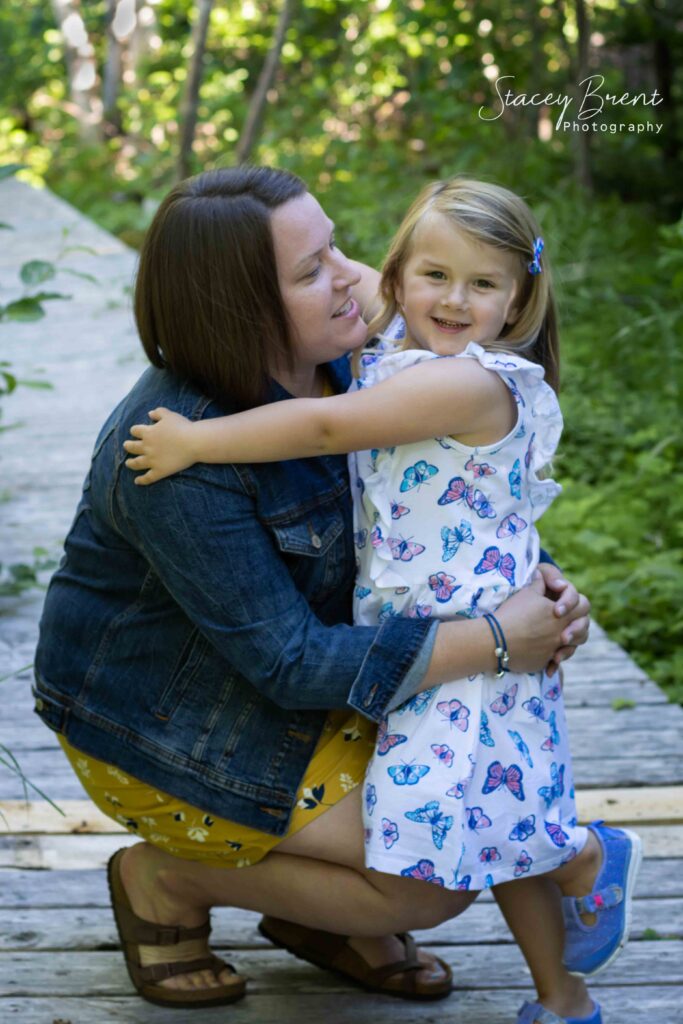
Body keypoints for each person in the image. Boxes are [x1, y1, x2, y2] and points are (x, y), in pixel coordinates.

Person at [34, 167, 591, 1013]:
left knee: (456, 811)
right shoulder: (175, 452)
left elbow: (444, 504)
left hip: (296, 684)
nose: (354, 276)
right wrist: (502, 636)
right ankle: (166, 879)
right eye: (312, 267)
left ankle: (318, 909)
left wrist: (530, 588)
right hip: (174, 722)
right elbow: (289, 663)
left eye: (333, 244)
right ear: (244, 310)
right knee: (426, 883)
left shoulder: (353, 356)